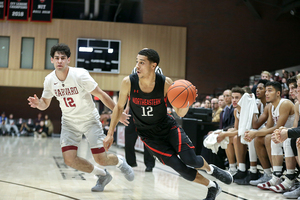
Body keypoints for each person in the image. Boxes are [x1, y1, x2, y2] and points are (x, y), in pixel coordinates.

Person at [103, 48, 233, 200]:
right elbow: (118, 107)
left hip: (168, 128)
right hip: (148, 135)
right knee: (180, 168)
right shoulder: (128, 82)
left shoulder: (165, 83)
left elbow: (181, 113)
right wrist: (110, 134)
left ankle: (211, 169)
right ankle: (212, 186)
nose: (137, 66)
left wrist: (187, 100)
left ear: (153, 65)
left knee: (191, 160)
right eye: (137, 62)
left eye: (142, 62)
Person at [27, 43, 134, 192]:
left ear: (68, 60)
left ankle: (120, 162)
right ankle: (102, 175)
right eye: (56, 58)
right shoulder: (49, 80)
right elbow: (45, 104)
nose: (59, 61)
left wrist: (118, 113)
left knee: (101, 159)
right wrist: (38, 103)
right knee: (69, 160)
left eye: (62, 58)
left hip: (89, 120)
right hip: (69, 122)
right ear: (52, 60)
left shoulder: (80, 75)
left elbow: (101, 95)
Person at [244, 81, 296, 192]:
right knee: (258, 139)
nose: (266, 93)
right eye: (266, 91)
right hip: (282, 136)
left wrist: (256, 133)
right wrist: (252, 134)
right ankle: (269, 174)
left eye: (270, 90)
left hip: (291, 135)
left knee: (270, 137)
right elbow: (268, 127)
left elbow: (278, 126)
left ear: (278, 93)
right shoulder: (271, 107)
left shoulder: (285, 103)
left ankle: (278, 175)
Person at [123, 66, 162, 172]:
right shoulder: (136, 70)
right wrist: (127, 107)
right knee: (129, 137)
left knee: (149, 139)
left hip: (150, 110)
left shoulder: (157, 72)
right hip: (134, 109)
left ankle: (150, 164)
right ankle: (130, 162)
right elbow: (129, 92)